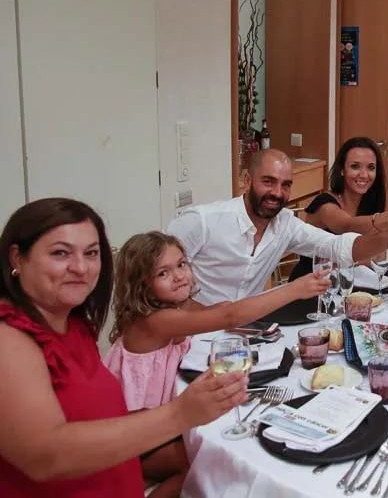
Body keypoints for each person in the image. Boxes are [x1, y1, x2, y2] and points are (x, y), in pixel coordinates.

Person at [0, 198, 246, 498]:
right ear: (17, 258)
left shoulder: (73, 326)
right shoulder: (9, 337)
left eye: (91, 253)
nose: (80, 267)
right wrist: (179, 414)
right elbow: (44, 456)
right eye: (60, 253)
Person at [104, 231, 329, 496]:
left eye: (181, 264)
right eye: (163, 273)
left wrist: (231, 313)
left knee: (210, 456)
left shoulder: (177, 305)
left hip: (162, 420)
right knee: (205, 463)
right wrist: (293, 290)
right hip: (133, 434)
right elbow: (227, 316)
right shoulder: (154, 321)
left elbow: (219, 312)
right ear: (140, 284)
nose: (178, 276)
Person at [167, 149, 388, 305]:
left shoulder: (285, 224)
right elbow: (152, 275)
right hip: (192, 334)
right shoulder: (202, 221)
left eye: (285, 185)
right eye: (268, 181)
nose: (277, 193)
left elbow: (338, 246)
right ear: (246, 180)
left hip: (248, 332)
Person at [287, 138, 388, 282]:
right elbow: (347, 226)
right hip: (313, 283)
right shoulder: (324, 204)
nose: (364, 175)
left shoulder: (370, 203)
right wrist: (378, 222)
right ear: (342, 170)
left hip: (352, 281)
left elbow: (379, 256)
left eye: (371, 168)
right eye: (355, 166)